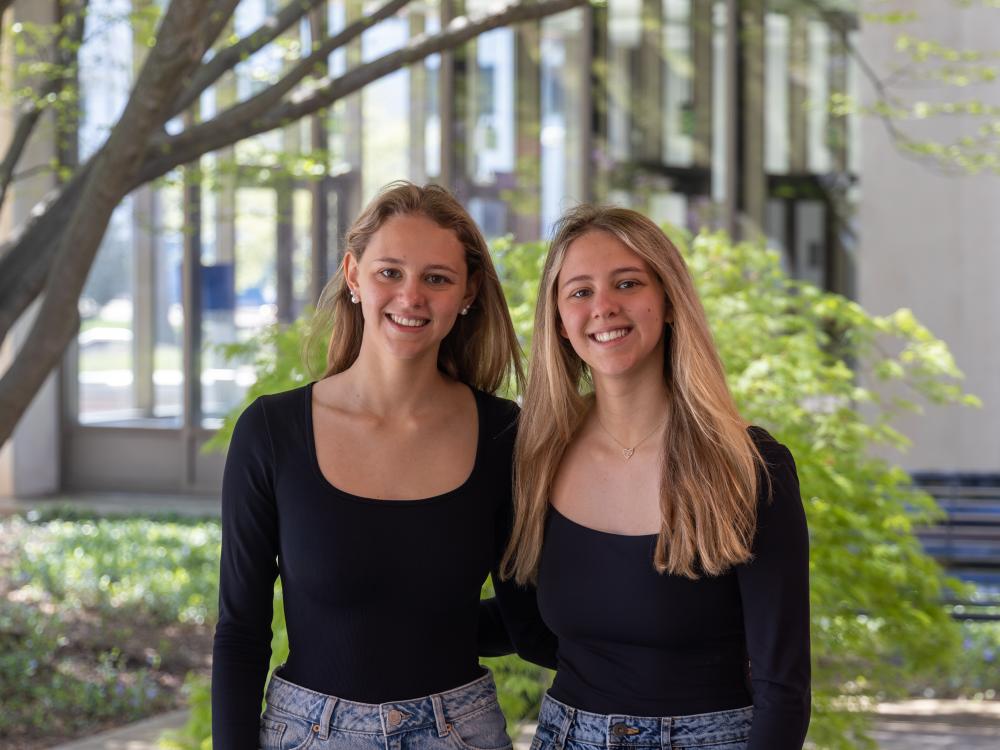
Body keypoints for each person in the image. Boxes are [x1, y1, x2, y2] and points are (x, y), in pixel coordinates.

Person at [211, 181, 550, 750]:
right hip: (308, 735)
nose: (411, 296)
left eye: (437, 278)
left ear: (468, 293)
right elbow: (241, 633)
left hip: (459, 733)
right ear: (353, 275)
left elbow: (529, 623)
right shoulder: (273, 432)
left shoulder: (502, 433)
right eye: (389, 272)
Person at [500, 205, 811, 750]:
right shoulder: (531, 457)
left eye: (627, 283)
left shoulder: (747, 466)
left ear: (667, 301)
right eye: (579, 292)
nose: (604, 307)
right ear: (557, 318)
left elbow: (782, 688)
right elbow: (525, 631)